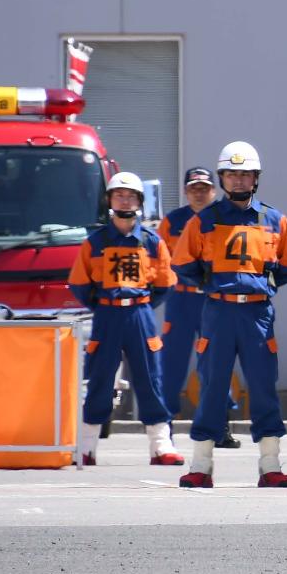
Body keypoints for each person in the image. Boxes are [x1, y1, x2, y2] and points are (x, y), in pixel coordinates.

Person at [173, 141, 287, 488]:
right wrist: (213, 282)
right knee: (212, 387)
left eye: (244, 174)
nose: (237, 180)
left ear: (255, 179)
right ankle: (201, 466)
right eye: (231, 174)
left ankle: (271, 464)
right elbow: (183, 263)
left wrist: (261, 284)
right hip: (217, 311)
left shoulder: (273, 219)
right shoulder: (205, 220)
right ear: (222, 178)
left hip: (257, 314)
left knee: (263, 387)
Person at [68, 173, 179, 468]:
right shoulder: (95, 242)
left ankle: (160, 445)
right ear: (109, 200)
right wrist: (106, 304)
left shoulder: (152, 242)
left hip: (140, 314)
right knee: (99, 379)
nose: (125, 200)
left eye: (131, 195)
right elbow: (79, 284)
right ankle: (87, 446)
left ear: (140, 201)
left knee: (150, 378)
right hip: (106, 314)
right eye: (119, 195)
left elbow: (165, 284)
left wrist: (138, 304)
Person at [155, 166, 217, 435]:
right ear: (185, 191)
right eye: (194, 189)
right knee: (172, 362)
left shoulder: (223, 220)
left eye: (204, 189)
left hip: (213, 301)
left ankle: (217, 424)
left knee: (215, 361)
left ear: (213, 190)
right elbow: (157, 259)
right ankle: (164, 422)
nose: (199, 194)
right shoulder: (172, 222)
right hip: (181, 301)